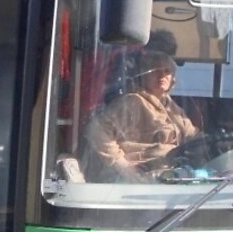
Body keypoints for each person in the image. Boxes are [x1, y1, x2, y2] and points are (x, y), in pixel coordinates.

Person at [84, 50, 199, 181]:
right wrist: (123, 166)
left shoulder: (174, 110)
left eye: (167, 71)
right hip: (140, 179)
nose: (162, 75)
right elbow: (96, 130)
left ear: (173, 78)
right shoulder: (133, 102)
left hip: (171, 176)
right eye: (155, 71)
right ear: (143, 76)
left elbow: (193, 138)